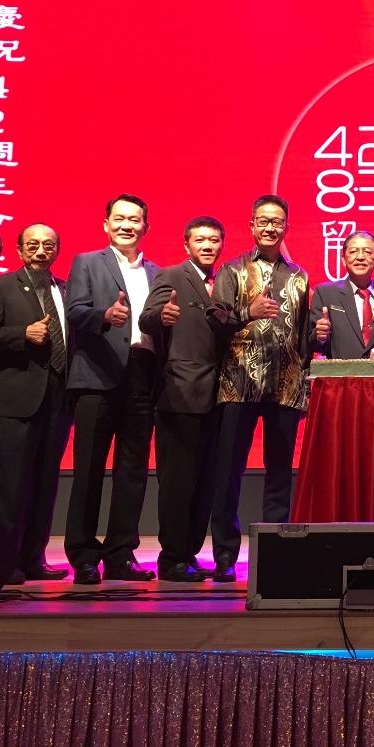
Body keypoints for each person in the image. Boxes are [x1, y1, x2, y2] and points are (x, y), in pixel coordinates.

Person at [208, 195, 311, 582]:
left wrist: (303, 380)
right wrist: (246, 313)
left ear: (287, 227)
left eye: (277, 222)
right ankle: (224, 554)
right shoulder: (232, 270)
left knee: (280, 471)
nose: (270, 227)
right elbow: (215, 320)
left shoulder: (299, 276)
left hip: (285, 385)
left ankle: (275, 550)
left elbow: (301, 335)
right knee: (229, 470)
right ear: (251, 225)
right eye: (263, 221)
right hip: (238, 383)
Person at [64, 195, 161, 585]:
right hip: (96, 377)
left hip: (143, 374)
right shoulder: (87, 262)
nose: (127, 225)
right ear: (105, 224)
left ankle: (121, 553)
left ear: (145, 227)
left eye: (135, 219)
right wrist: (103, 317)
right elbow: (73, 312)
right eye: (119, 218)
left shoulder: (157, 272)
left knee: (132, 471)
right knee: (88, 470)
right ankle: (84, 555)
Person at [0, 225, 72, 585]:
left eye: (48, 244)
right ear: (19, 250)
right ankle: (2, 561)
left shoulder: (64, 288)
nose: (41, 251)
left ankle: (33, 558)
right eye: (33, 245)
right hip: (14, 400)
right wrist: (21, 335)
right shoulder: (0, 286)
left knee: (45, 484)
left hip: (58, 400)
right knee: (8, 487)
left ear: (57, 249)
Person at [139, 215, 229, 583]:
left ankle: (189, 553)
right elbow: (147, 318)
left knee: (204, 481)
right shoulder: (172, 276)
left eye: (214, 240)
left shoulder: (224, 281)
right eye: (200, 240)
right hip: (179, 392)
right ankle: (172, 557)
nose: (208, 246)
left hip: (217, 393)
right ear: (186, 245)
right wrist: (162, 315)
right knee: (177, 481)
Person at [309, 231, 374, 360]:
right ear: (343, 259)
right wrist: (321, 336)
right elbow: (312, 343)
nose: (360, 257)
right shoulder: (325, 293)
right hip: (340, 377)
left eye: (367, 252)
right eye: (353, 251)